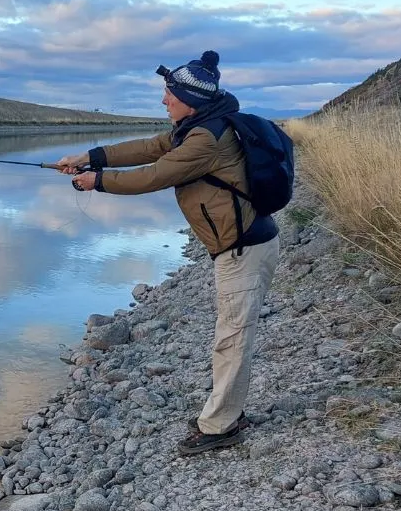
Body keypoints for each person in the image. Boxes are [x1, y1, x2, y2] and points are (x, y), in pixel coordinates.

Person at [55, 51, 280, 455]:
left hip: (244, 249)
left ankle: (220, 426)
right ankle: (227, 411)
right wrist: (88, 157)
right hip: (238, 245)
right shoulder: (194, 127)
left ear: (189, 99)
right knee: (230, 333)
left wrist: (98, 182)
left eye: (169, 95)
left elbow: (156, 174)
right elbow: (147, 148)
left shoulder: (205, 140)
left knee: (232, 337)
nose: (163, 102)